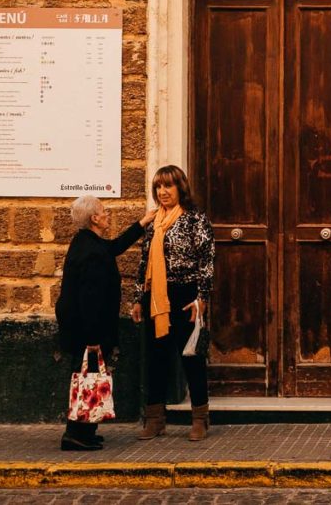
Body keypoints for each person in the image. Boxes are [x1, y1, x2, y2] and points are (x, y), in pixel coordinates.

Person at [55, 195, 155, 451]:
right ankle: (75, 434)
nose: (107, 213)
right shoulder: (91, 252)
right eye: (104, 211)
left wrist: (142, 222)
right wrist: (92, 338)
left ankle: (85, 431)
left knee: (88, 379)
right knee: (86, 381)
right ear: (94, 218)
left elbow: (115, 247)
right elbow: (89, 299)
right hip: (87, 330)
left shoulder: (87, 242)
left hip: (81, 329)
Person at [132, 164, 215, 441]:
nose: (163, 191)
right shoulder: (153, 222)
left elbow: (206, 261)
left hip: (185, 295)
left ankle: (200, 418)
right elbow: (144, 262)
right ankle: (155, 419)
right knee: (156, 360)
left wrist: (201, 298)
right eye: (158, 186)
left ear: (180, 187)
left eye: (168, 185)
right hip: (155, 295)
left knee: (191, 358)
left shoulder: (195, 220)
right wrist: (137, 299)